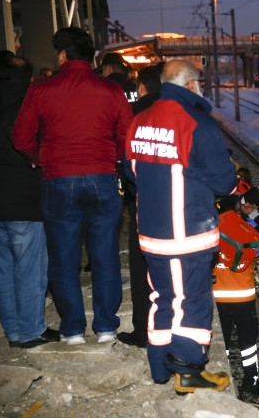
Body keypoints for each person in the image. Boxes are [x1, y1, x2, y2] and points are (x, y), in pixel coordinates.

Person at [11, 27, 133, 346]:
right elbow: (127, 135)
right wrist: (112, 160)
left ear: (62, 55)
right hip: (103, 179)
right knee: (105, 256)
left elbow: (20, 137)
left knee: (64, 259)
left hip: (58, 180)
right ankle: (106, 327)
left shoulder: (41, 88)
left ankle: (73, 330)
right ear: (90, 55)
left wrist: (41, 159)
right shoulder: (110, 90)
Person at [123, 59, 237, 393]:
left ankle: (159, 368)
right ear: (190, 85)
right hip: (187, 234)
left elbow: (131, 172)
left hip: (151, 232)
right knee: (191, 300)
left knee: (163, 298)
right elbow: (225, 183)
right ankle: (188, 369)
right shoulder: (196, 122)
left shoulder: (139, 120)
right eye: (199, 84)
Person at [0, 54, 60, 348]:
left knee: (2, 272)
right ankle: (30, 331)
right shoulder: (33, 99)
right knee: (29, 269)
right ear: (29, 76)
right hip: (24, 197)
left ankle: (13, 331)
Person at [117, 64, 162, 348]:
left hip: (143, 205)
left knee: (141, 267)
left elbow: (127, 166)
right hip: (182, 209)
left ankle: (143, 332)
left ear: (142, 87)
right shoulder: (187, 114)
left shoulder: (132, 115)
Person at [212, 189, 259, 398]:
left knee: (221, 340)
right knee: (248, 342)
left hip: (219, 297)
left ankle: (221, 379)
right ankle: (251, 381)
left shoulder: (209, 227)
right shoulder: (249, 229)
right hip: (244, 296)